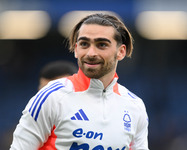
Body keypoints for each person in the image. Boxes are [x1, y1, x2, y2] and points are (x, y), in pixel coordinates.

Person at [10, 13, 149, 150]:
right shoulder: (51, 97)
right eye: (84, 44)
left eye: (101, 45)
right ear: (76, 49)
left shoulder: (135, 106)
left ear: (121, 51)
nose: (91, 53)